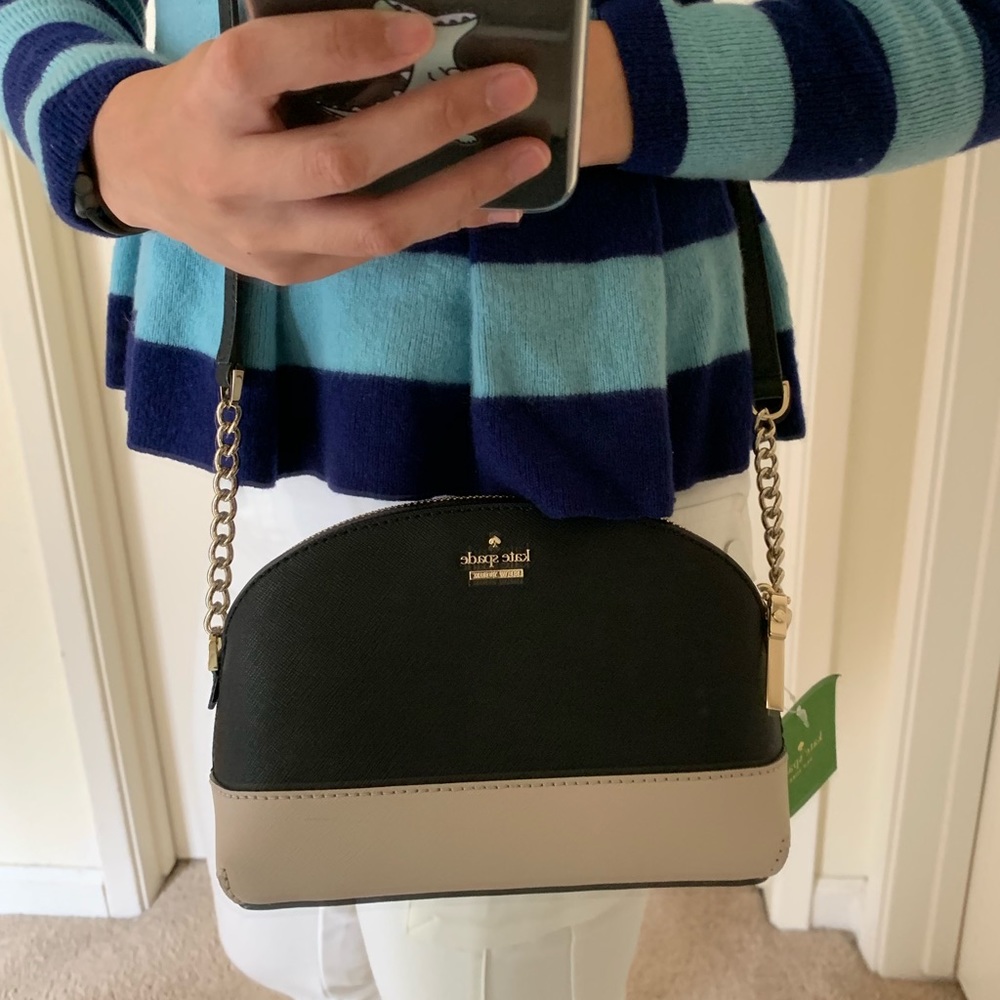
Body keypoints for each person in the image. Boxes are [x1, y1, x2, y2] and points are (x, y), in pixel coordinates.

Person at [3, 0, 999, 997]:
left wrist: (589, 86)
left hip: (588, 374)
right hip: (262, 362)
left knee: (496, 952)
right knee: (301, 928)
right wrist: (109, 128)